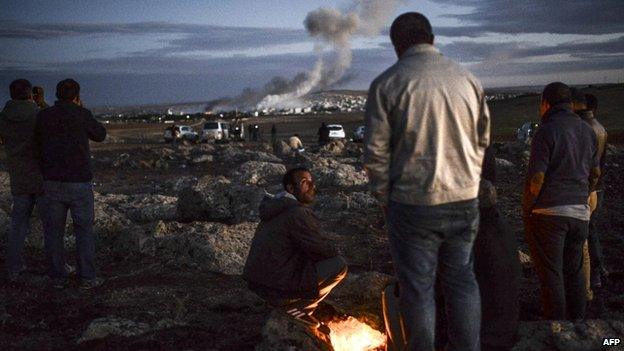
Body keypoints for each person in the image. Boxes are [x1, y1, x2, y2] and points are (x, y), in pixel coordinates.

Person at [364, 12, 490, 351]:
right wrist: (468, 182)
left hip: (413, 202)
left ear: (396, 46)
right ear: (432, 38)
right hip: (463, 199)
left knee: (418, 289)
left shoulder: (388, 84)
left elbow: (375, 153)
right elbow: (482, 140)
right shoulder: (467, 80)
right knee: (463, 280)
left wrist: (384, 196)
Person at [523, 82, 600, 320]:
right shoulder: (588, 130)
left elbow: (537, 178)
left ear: (546, 103)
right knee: (575, 272)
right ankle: (579, 325)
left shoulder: (546, 130)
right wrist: (583, 194)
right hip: (579, 214)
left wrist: (528, 206)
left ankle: (556, 328)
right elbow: (595, 173)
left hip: (549, 215)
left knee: (551, 274)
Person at [243, 167, 347, 331]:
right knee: (338, 265)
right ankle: (298, 310)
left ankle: (295, 306)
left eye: (312, 182)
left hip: (259, 284)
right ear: (291, 188)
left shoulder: (276, 208)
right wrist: (336, 247)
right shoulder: (296, 212)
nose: (312, 186)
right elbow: (321, 249)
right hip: (276, 288)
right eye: (305, 182)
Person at [34, 79, 107, 289]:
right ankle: (87, 277)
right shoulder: (81, 114)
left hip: (51, 181)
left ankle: (57, 277)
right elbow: (100, 135)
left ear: (57, 94)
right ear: (77, 96)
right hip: (79, 182)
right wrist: (81, 110)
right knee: (83, 230)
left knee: (53, 232)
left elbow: (36, 143)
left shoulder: (44, 116)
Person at [0, 79, 44, 281]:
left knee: (18, 224)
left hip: (19, 175)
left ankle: (14, 267)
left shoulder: (4, 117)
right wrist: (41, 102)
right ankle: (55, 266)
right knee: (51, 224)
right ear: (30, 94)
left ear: (11, 95)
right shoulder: (38, 113)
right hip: (42, 175)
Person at [578, 92, 609, 288]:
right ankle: (600, 269)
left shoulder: (584, 129)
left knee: (587, 232)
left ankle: (595, 273)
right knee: (592, 230)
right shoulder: (601, 129)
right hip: (598, 187)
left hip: (588, 187)